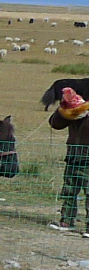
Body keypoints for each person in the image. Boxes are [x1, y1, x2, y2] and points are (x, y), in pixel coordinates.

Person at [50, 84, 89, 234]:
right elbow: (54, 124)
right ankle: (66, 220)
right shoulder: (71, 114)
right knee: (69, 190)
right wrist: (64, 109)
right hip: (73, 157)